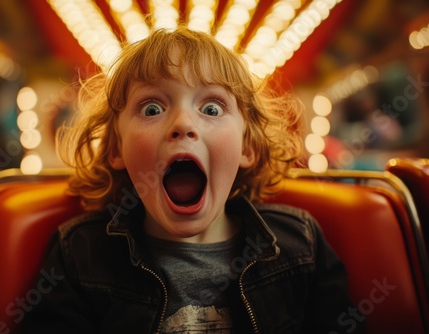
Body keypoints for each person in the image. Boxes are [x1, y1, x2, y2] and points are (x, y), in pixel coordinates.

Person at [22, 27, 364, 333]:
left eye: (212, 109)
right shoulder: (80, 254)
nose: (183, 123)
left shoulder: (301, 248)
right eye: (152, 108)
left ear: (247, 146)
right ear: (116, 148)